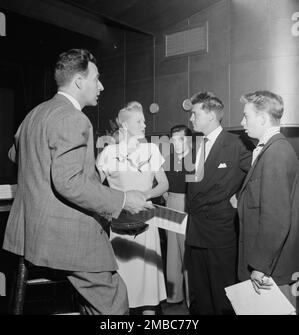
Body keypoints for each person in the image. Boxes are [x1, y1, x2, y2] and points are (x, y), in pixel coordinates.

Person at [2, 48, 152, 315]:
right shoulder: (73, 117)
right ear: (80, 81)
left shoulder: (34, 114)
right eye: (97, 78)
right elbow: (69, 182)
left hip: (30, 236)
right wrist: (124, 199)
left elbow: (16, 153)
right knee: (115, 300)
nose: (101, 86)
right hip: (65, 238)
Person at [96, 101, 168, 315]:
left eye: (144, 120)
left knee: (149, 291)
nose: (145, 125)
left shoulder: (151, 149)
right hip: (119, 226)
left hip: (148, 223)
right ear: (125, 126)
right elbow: (92, 188)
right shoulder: (109, 153)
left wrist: (144, 195)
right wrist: (121, 199)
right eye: (139, 121)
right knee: (123, 285)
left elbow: (164, 184)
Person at [185, 91, 252, 315]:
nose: (191, 119)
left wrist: (240, 201)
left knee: (222, 296)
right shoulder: (193, 146)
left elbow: (258, 177)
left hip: (220, 234)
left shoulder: (236, 143)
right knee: (200, 295)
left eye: (195, 114)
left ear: (211, 115)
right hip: (194, 233)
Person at [238, 90, 299, 313]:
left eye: (246, 115)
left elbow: (276, 219)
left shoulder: (275, 153)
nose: (241, 121)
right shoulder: (271, 149)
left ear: (263, 118)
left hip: (271, 270)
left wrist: (260, 266)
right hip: (270, 267)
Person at [163, 125, 192, 307]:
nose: (176, 143)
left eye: (180, 139)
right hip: (170, 204)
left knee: (187, 252)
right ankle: (174, 295)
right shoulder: (168, 160)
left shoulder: (196, 160)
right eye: (173, 139)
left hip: (187, 205)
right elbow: (162, 185)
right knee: (172, 252)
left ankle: (191, 299)